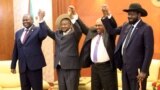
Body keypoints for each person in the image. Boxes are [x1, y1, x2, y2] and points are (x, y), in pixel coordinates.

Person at [102, 3, 154, 90]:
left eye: (132, 14)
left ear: (139, 15)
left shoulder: (146, 28)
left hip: (138, 71)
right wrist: (106, 15)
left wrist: (144, 71)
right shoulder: (126, 25)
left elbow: (149, 51)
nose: (129, 16)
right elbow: (112, 31)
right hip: (125, 68)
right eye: (128, 14)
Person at [69, 5, 118, 90]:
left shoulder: (110, 34)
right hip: (95, 67)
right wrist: (74, 15)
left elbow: (113, 26)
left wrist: (107, 15)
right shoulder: (92, 33)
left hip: (107, 68)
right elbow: (83, 27)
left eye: (100, 25)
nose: (97, 27)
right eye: (96, 25)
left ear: (105, 25)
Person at [40, 11, 82, 90]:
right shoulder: (57, 34)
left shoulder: (75, 34)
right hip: (60, 67)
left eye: (65, 24)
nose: (63, 26)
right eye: (62, 24)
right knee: (62, 88)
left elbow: (79, 30)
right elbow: (48, 31)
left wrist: (72, 17)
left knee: (71, 88)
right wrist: (41, 19)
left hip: (71, 67)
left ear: (70, 25)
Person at [11, 10, 47, 90]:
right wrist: (13, 65)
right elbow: (15, 49)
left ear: (32, 20)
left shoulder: (38, 30)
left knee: (37, 88)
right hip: (23, 67)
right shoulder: (18, 33)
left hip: (35, 66)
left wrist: (41, 19)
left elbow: (44, 34)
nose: (25, 21)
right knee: (24, 88)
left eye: (27, 19)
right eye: (23, 20)